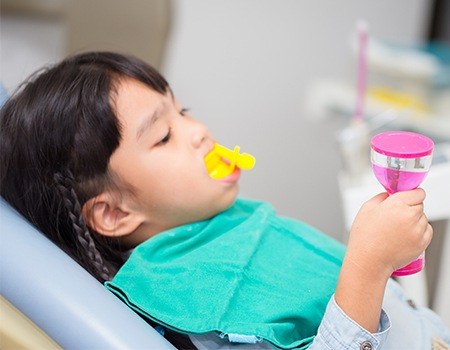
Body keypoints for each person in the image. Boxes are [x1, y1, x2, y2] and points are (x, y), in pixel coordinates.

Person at [0, 51, 448, 350]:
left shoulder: (221, 225)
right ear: (115, 212)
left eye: (184, 111)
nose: (199, 132)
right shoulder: (199, 305)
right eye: (164, 136)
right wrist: (368, 266)